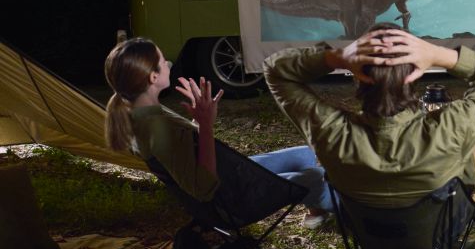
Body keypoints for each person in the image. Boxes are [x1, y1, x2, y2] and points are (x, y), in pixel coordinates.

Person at [264, 22, 475, 249]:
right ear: (416, 74)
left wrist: (336, 57)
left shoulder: (328, 131)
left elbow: (275, 69)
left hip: (367, 236)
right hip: (440, 230)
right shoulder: (452, 127)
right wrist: (440, 55)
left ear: (356, 75)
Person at [103, 37, 333, 228]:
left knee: (305, 154)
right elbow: (203, 189)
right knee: (314, 177)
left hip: (230, 179)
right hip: (230, 205)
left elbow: (187, 152)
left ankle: (317, 213)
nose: (169, 64)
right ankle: (344, 210)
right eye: (164, 62)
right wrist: (205, 125)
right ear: (153, 77)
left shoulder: (142, 114)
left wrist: (198, 121)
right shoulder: (157, 127)